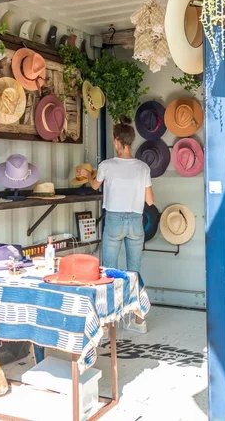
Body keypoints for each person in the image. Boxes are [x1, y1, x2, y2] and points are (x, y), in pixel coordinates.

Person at [78, 115, 153, 333]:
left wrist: (86, 174)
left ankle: (107, 323)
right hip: (135, 222)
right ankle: (140, 321)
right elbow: (150, 201)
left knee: (108, 272)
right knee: (134, 272)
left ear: (117, 142)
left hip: (114, 221)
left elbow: (94, 186)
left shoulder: (107, 165)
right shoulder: (143, 167)